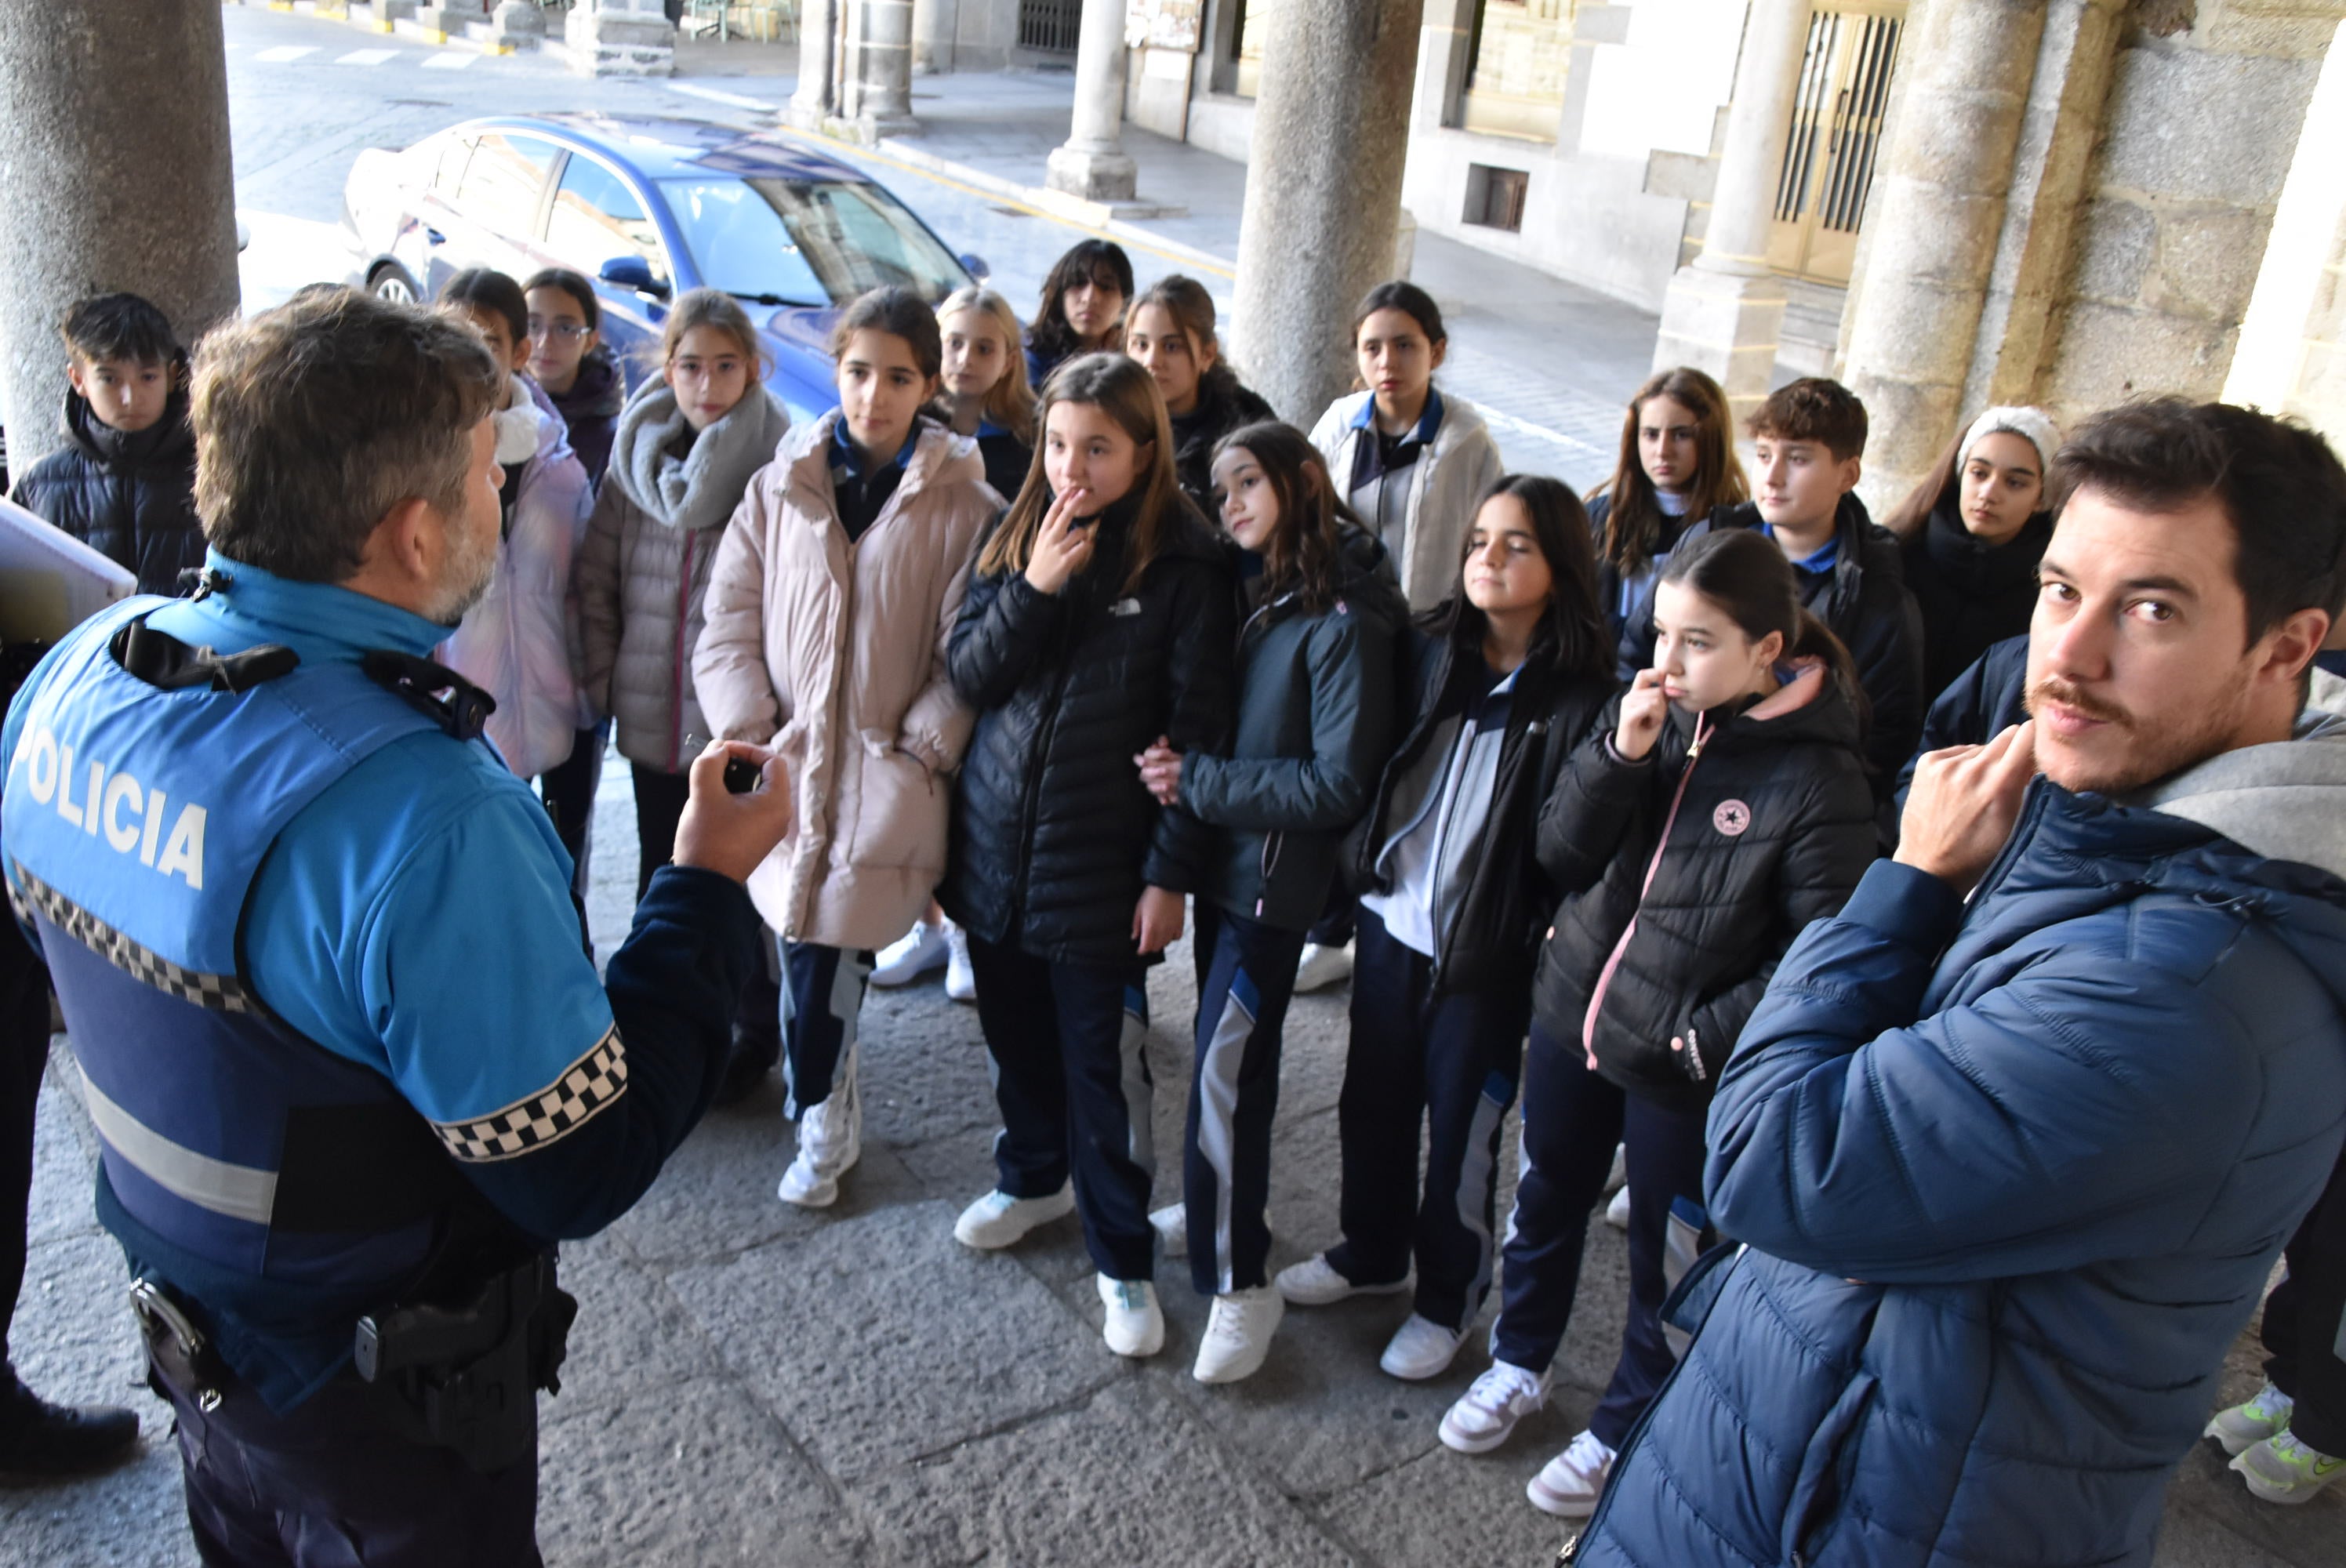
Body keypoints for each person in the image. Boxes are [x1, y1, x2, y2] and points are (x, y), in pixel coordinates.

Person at [0, 286, 791, 1562]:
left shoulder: (78, 675)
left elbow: (68, 954)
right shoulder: (429, 820)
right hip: (382, 1408)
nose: (506, 497)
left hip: (196, 1344)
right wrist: (700, 880)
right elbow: (574, 1163)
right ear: (416, 533)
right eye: (492, 475)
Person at [1572, 398, 2346, 1568]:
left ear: (2286, 647)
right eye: (2061, 590)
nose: (2070, 659)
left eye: (2150, 608)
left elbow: (1774, 1158)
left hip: (1884, 1515)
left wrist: (1910, 881)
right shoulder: (2124, 828)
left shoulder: (2195, 992)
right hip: (1819, 1453)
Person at [1444, 528, 1876, 1518]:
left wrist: (1700, 1036)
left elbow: (1822, 953)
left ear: (1768, 649)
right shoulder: (1649, 714)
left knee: (1666, 1254)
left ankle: (1624, 1417)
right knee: (1544, 1193)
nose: (1668, 664)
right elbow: (1559, 848)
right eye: (1662, 634)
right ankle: (1521, 1358)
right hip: (1574, 1012)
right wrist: (1619, 752)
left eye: (1699, 643)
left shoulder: (1818, 776)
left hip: (1680, 1060)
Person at [1275, 477, 1616, 1385]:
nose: (1487, 560)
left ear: (1561, 568)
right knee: (1370, 1103)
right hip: (1394, 925)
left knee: (1463, 1130)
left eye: (1516, 546)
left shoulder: (1586, 698)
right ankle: (1371, 1250)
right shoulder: (1430, 650)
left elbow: (1573, 842)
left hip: (1488, 953)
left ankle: (1447, 1296)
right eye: (1477, 541)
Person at [939, 353, 1235, 1361]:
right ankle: (1031, 1175)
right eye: (1060, 443)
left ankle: (1122, 1257)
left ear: (1145, 451)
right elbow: (971, 672)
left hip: (1103, 866)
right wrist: (1033, 585)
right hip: (993, 847)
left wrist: (1168, 875)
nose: (1073, 466)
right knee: (1014, 1041)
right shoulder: (1018, 531)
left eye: (1098, 448)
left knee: (1100, 1071)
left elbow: (1197, 733)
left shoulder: (1185, 565)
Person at [693, 287, 998, 1209]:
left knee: (824, 958)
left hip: (878, 770)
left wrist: (926, 741)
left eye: (898, 377)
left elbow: (968, 651)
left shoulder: (964, 504)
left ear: (929, 383)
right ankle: (828, 1087)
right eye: (859, 372)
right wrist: (747, 721)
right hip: (784, 759)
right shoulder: (781, 482)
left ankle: (820, 1111)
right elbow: (727, 618)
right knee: (796, 946)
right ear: (836, 371)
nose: (874, 395)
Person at [1132, 421, 1404, 1384]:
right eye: (1221, 487)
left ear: (1304, 479)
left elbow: (1336, 784)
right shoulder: (1273, 584)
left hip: (1272, 883)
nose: (1232, 502)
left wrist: (1196, 780)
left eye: (1249, 481)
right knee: (1230, 1062)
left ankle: (1243, 1282)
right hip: (1233, 868)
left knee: (1222, 1070)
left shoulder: (1342, 611)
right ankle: (1217, 1207)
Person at [576, 289, 790, 1084]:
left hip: (728, 719)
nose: (707, 383)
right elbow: (596, 580)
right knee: (661, 867)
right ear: (666, 368)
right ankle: (662, 1024)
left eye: (725, 366)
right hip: (647, 714)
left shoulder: (776, 465)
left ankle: (752, 1026)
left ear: (753, 369)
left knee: (735, 876)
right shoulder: (637, 462)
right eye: (691, 365)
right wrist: (605, 676)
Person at [1302, 281, 1505, 992]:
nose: (1388, 361)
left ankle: (1376, 916)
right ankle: (1327, 926)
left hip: (1424, 636)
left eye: (1405, 345)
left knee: (1398, 772)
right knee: (1335, 767)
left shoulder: (1466, 442)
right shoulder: (1337, 424)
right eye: (1373, 346)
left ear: (1436, 351)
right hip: (1341, 631)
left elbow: (1486, 538)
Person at [1619, 377, 1923, 818]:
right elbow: (1634, 652)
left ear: (1848, 473)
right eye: (1763, 455)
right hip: (1668, 777)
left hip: (1778, 812)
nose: (1773, 476)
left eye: (1797, 459)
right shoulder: (1706, 543)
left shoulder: (1878, 599)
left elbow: (1880, 742)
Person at [433, 269, 596, 798]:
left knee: (562, 856)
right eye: (452, 341)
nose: (468, 360)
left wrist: (592, 690)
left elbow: (587, 590)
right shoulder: (423, 466)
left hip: (561, 707)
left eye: (486, 343)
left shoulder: (560, 465)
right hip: (462, 719)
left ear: (520, 351)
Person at [8, 293, 205, 597]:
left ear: (172, 376)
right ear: (79, 380)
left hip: (193, 644)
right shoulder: (39, 483)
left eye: (147, 377)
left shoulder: (214, 472)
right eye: (110, 379)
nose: (130, 397)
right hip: (84, 645)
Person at [1883, 405, 2061, 702]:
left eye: (2015, 482)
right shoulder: (1895, 557)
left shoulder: (2049, 592)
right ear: (1960, 475)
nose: (1989, 493)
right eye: (1979, 473)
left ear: (2042, 498)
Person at [1585, 368, 1749, 647]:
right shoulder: (1600, 518)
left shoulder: (1735, 530)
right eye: (1650, 434)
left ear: (1711, 439)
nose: (1663, 450)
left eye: (1681, 435)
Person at [1122, 275, 1275, 521]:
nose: (1151, 361)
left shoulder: (1246, 419)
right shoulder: (1113, 417)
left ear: (1207, 354)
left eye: (1171, 347)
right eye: (1140, 345)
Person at [521, 268, 623, 488]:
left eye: (565, 328)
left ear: (590, 341)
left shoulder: (610, 436)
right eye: (532, 326)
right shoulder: (498, 405)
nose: (544, 342)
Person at [1024, 240, 1133, 389]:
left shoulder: (1135, 359)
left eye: (1106, 287)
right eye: (1079, 282)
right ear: (1060, 292)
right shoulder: (1032, 355)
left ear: (1125, 302)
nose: (1089, 298)